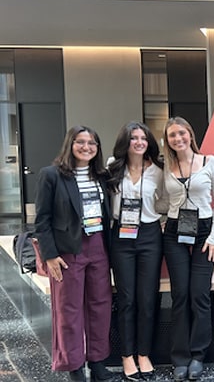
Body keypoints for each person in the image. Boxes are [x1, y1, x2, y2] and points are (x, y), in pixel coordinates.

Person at [34, 125, 115, 382]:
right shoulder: (52, 176)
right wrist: (49, 255)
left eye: (92, 143)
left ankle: (98, 361)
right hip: (68, 251)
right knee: (68, 310)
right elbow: (42, 219)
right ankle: (74, 366)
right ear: (70, 144)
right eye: (81, 142)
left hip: (99, 246)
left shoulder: (101, 175)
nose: (86, 147)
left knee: (100, 307)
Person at [162, 116, 214, 381]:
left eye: (181, 133)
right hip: (175, 231)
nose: (178, 139)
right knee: (180, 295)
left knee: (199, 293)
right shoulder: (164, 166)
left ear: (190, 134)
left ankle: (198, 355)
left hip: (203, 233)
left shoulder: (210, 162)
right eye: (172, 136)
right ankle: (180, 357)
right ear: (167, 141)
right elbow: (156, 199)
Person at [106, 122, 166, 381]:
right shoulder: (112, 166)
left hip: (150, 235)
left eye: (143, 138)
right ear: (125, 142)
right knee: (127, 298)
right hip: (121, 236)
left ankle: (144, 353)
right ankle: (126, 354)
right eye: (134, 138)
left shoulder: (158, 171)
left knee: (147, 298)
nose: (139, 142)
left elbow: (165, 201)